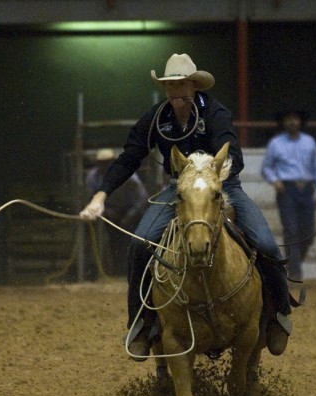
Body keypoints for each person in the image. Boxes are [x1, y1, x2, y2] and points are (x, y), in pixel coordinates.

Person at [79, 53, 293, 359]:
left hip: (222, 185)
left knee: (267, 245)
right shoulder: (157, 118)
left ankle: (277, 317)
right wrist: (101, 195)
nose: (176, 90)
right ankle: (140, 322)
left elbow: (235, 156)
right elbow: (130, 157)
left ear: (194, 85)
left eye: (181, 84)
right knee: (140, 245)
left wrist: (208, 175)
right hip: (178, 188)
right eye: (170, 84)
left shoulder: (216, 113)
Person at [261, 109, 316, 281]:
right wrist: (275, 180)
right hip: (286, 190)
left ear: (300, 121)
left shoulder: (309, 142)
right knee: (291, 230)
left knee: (308, 231)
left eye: (295, 119)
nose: (292, 122)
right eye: (288, 119)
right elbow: (266, 168)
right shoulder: (275, 143)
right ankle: (295, 270)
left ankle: (294, 263)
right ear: (283, 122)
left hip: (306, 189)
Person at [83, 148, 149, 276]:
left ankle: (132, 271)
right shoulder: (93, 177)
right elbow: (89, 198)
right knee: (112, 242)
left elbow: (142, 197)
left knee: (133, 242)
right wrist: (105, 211)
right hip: (108, 212)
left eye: (107, 162)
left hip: (131, 211)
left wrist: (129, 216)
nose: (104, 166)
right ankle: (113, 271)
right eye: (101, 163)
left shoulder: (128, 175)